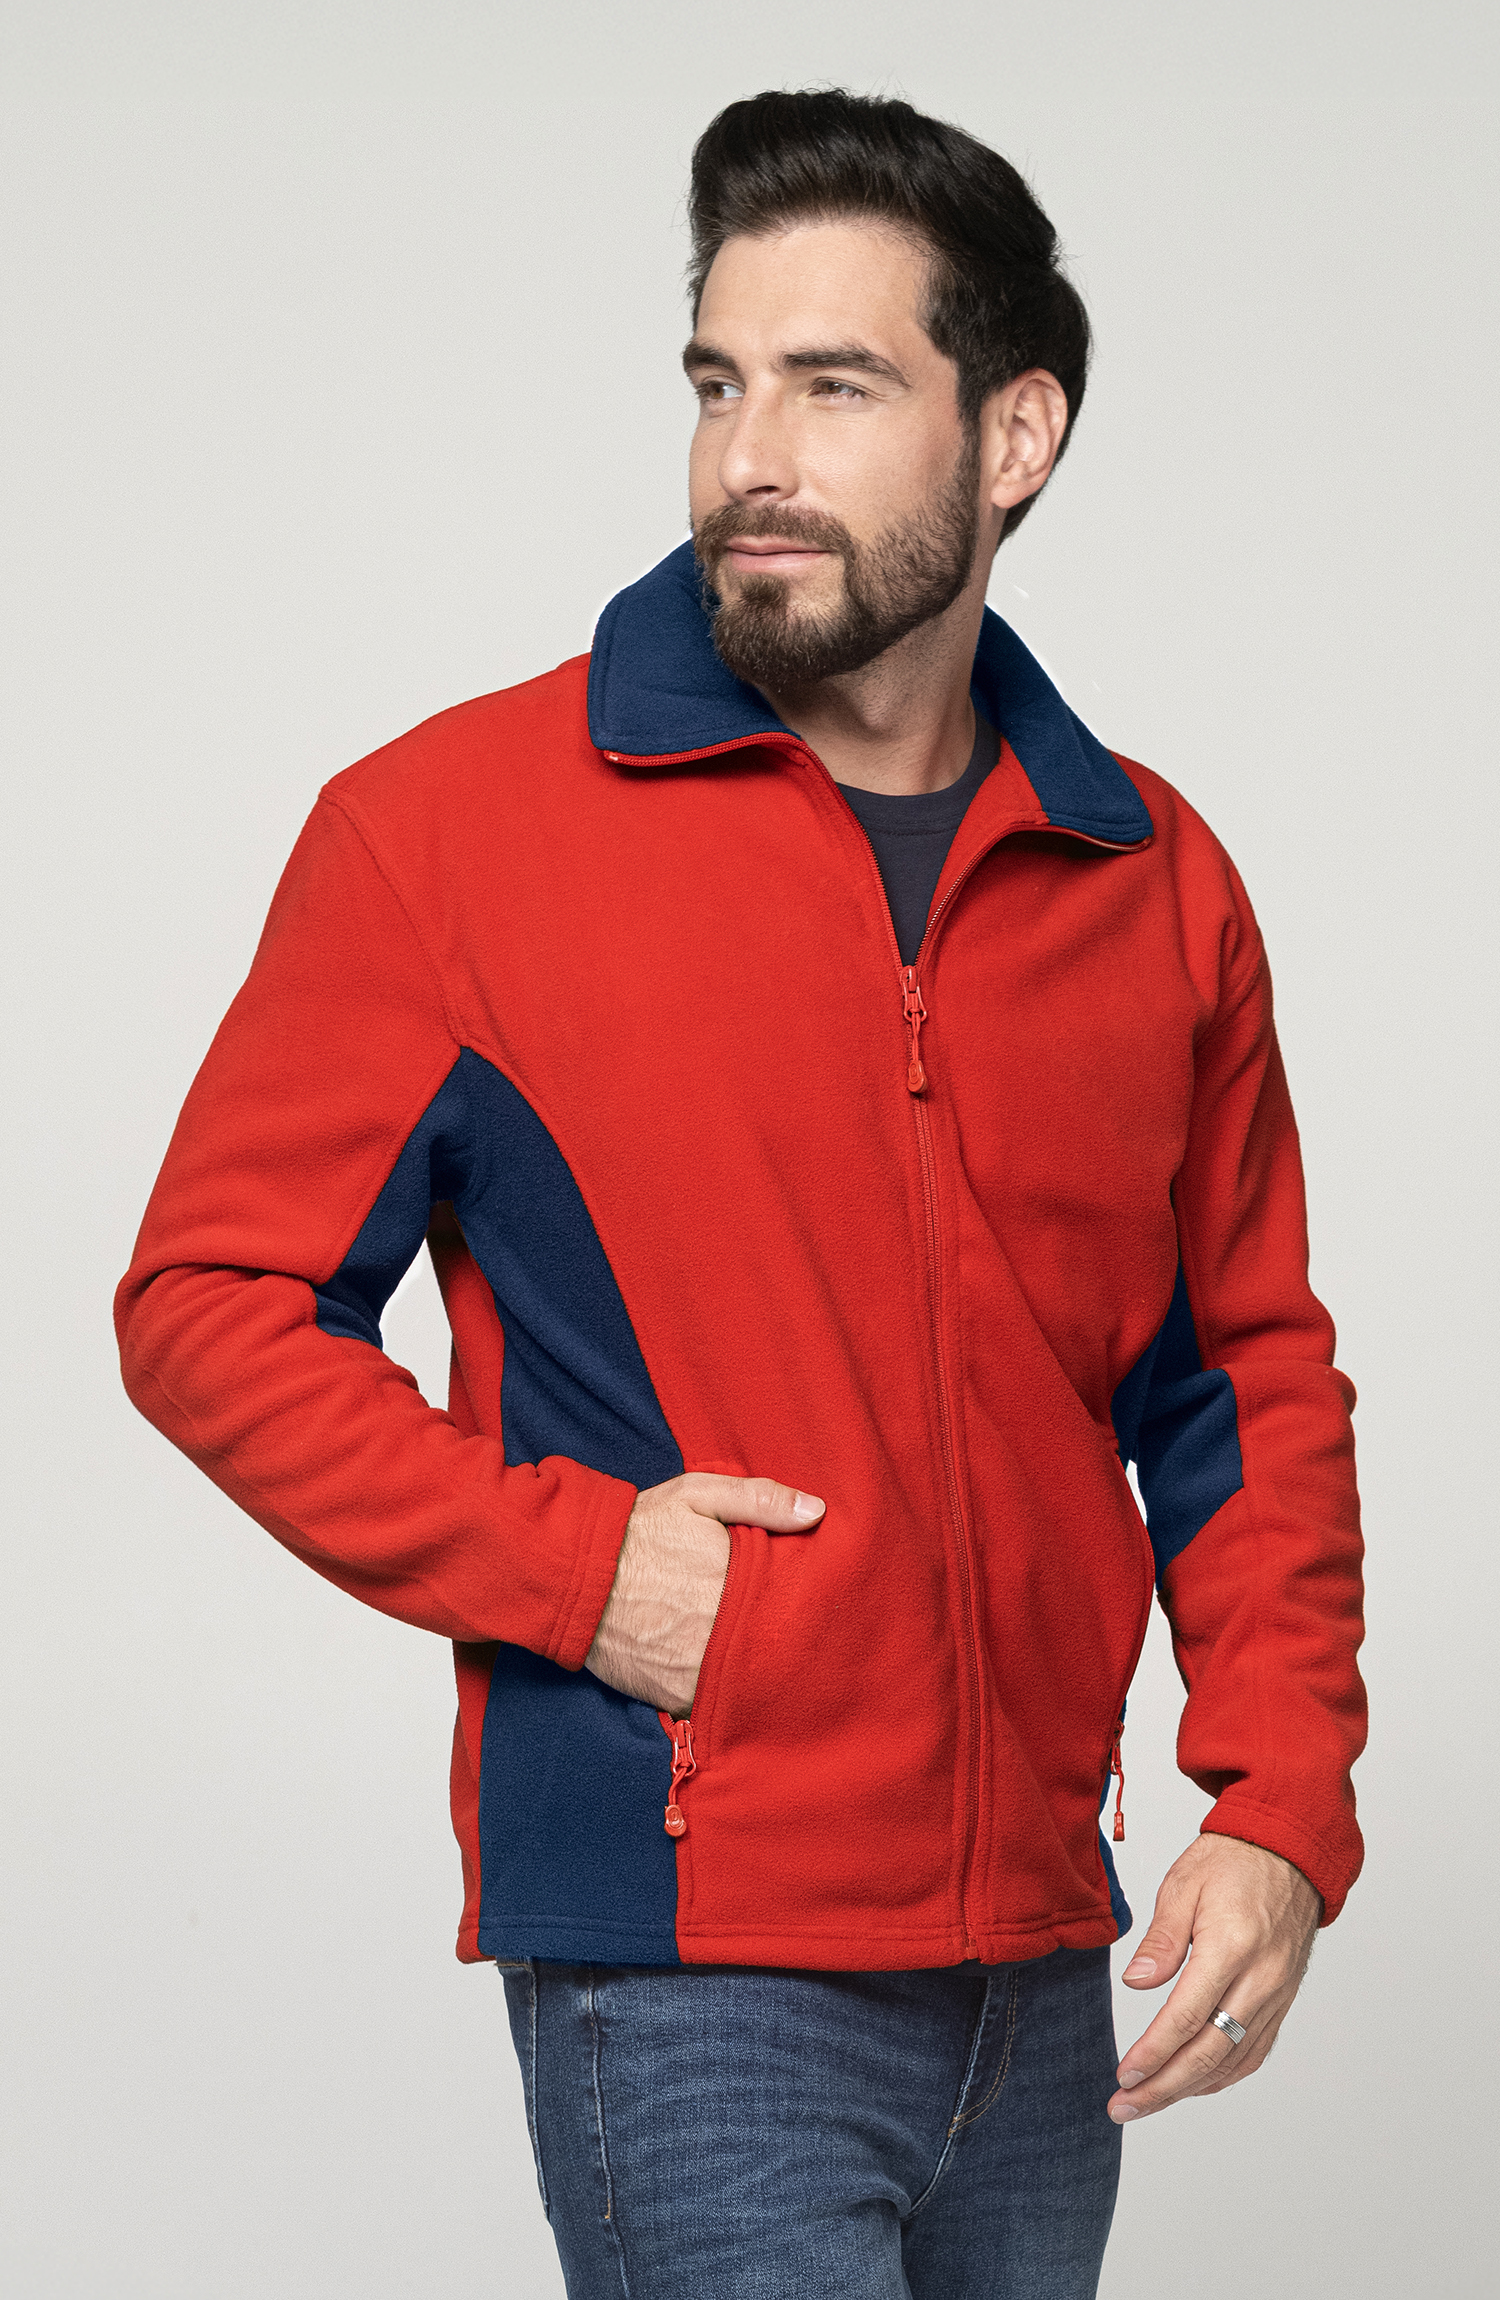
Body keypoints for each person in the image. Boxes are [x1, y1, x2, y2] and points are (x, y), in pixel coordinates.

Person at [115, 87, 1366, 2300]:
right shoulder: (452, 835)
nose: (747, 457)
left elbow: (1237, 1379)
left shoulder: (1151, 880)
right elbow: (207, 1299)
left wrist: (1281, 1801)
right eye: (718, 383)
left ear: (1015, 436)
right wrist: (580, 1568)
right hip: (694, 1971)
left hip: (1042, 1962)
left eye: (834, 386)